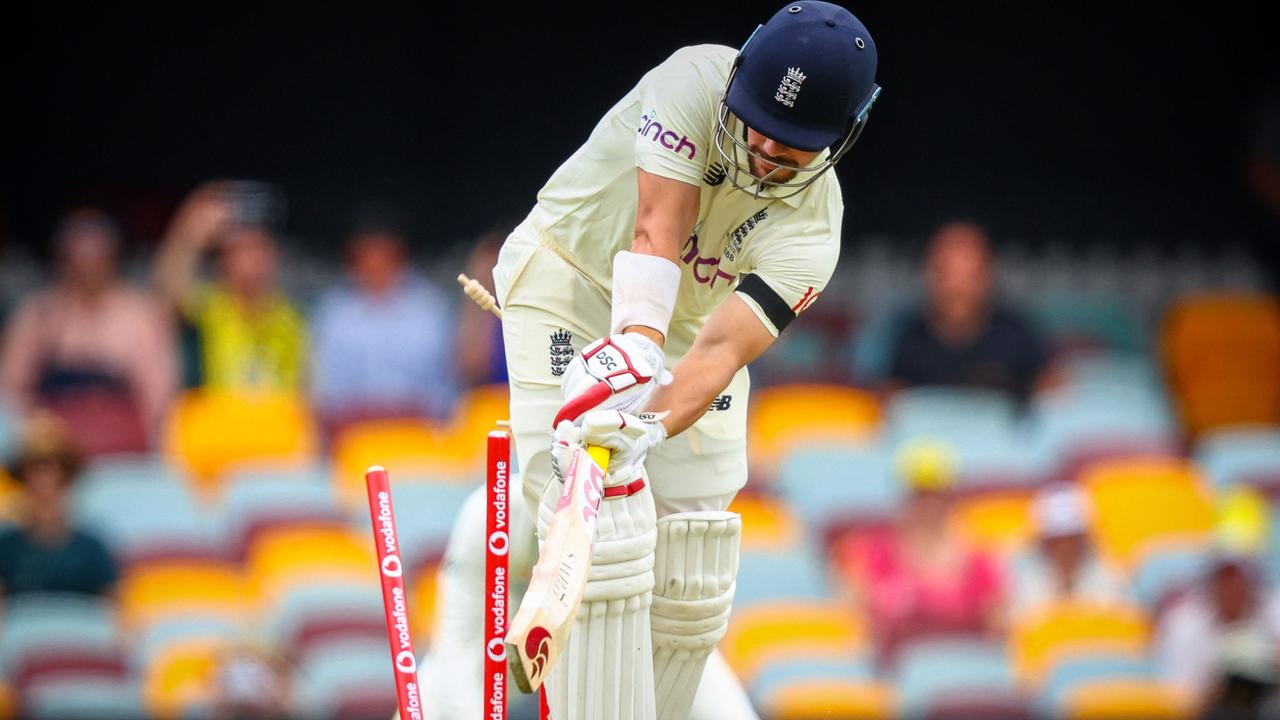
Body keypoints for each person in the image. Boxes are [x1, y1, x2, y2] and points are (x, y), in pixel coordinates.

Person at [423, 4, 882, 718]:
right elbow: (656, 229)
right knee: (583, 498)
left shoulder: (814, 231)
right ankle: (497, 523)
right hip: (568, 278)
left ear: (844, 135)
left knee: (691, 552)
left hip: (688, 333)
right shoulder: (691, 80)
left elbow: (721, 351)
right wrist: (629, 354)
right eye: (755, 119)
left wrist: (644, 428)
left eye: (789, 145)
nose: (762, 146)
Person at [0, 210, 176, 454]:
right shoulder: (38, 315)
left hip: (120, 452)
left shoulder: (139, 316)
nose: (86, 267)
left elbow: (159, 401)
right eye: (78, 258)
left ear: (112, 258)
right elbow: (10, 393)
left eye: (95, 256)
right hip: (51, 454)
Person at [834, 442, 1005, 666]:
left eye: (937, 495)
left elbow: (999, 635)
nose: (929, 505)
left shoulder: (982, 560)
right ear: (904, 497)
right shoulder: (872, 555)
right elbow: (857, 630)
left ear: (951, 497)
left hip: (966, 678)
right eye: (919, 495)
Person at [153, 183, 306, 393]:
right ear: (223, 261)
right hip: (216, 419)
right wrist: (192, 228)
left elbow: (303, 390)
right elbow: (170, 287)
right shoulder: (210, 307)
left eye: (259, 248)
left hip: (274, 420)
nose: (252, 260)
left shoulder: (289, 317)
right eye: (241, 251)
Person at [310, 214, 457, 432]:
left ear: (400, 255)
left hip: (421, 436)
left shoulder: (430, 308)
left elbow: (447, 391)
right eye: (367, 253)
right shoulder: (333, 312)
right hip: (354, 437)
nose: (375, 262)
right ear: (353, 258)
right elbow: (325, 396)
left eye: (384, 253)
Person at [886, 221, 1049, 401]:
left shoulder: (1016, 334)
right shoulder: (908, 337)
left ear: (987, 274)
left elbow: (1048, 387)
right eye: (947, 273)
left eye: (970, 274)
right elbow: (890, 394)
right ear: (929, 274)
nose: (959, 288)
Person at [1155, 488, 1280, 718]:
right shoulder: (1185, 623)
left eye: (1238, 575)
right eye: (1223, 575)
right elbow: (1177, 703)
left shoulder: (1274, 611)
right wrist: (1218, 686)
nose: (1231, 586)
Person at [0, 414, 119, 599]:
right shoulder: (6, 548)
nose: (45, 483)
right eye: (35, 471)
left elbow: (113, 615)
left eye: (56, 472)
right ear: (23, 480)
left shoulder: (93, 549)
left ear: (68, 480)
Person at [1008, 483, 1126, 617]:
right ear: (1043, 543)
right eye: (1056, 540)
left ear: (1084, 539)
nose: (1065, 547)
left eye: (1072, 539)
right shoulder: (1026, 579)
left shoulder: (1106, 574)